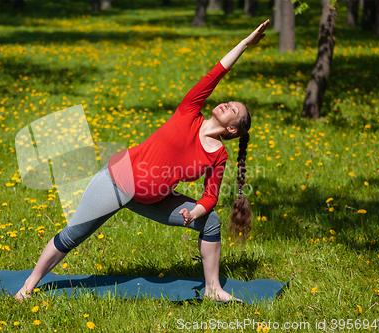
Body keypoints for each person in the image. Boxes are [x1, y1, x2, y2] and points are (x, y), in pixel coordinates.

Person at [15, 19, 270, 302]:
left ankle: (212, 290)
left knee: (210, 222)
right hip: (117, 182)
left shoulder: (218, 155)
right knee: (73, 236)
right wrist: (246, 43)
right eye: (230, 101)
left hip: (154, 200)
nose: (227, 103)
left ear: (232, 129)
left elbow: (210, 195)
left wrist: (196, 212)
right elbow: (217, 72)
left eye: (233, 109)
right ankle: (28, 286)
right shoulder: (189, 111)